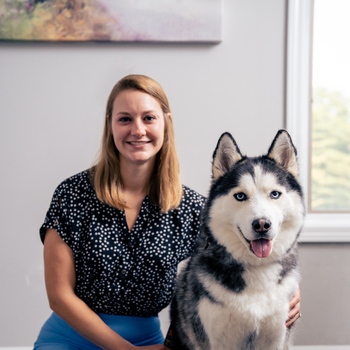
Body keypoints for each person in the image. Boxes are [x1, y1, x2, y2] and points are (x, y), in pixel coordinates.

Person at [34, 74, 301, 350]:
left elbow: (247, 257)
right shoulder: (72, 194)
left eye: (148, 118)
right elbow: (59, 296)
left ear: (165, 123)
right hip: (68, 340)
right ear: (110, 125)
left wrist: (287, 291)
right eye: (125, 119)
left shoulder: (194, 209)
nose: (138, 130)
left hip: (148, 343)